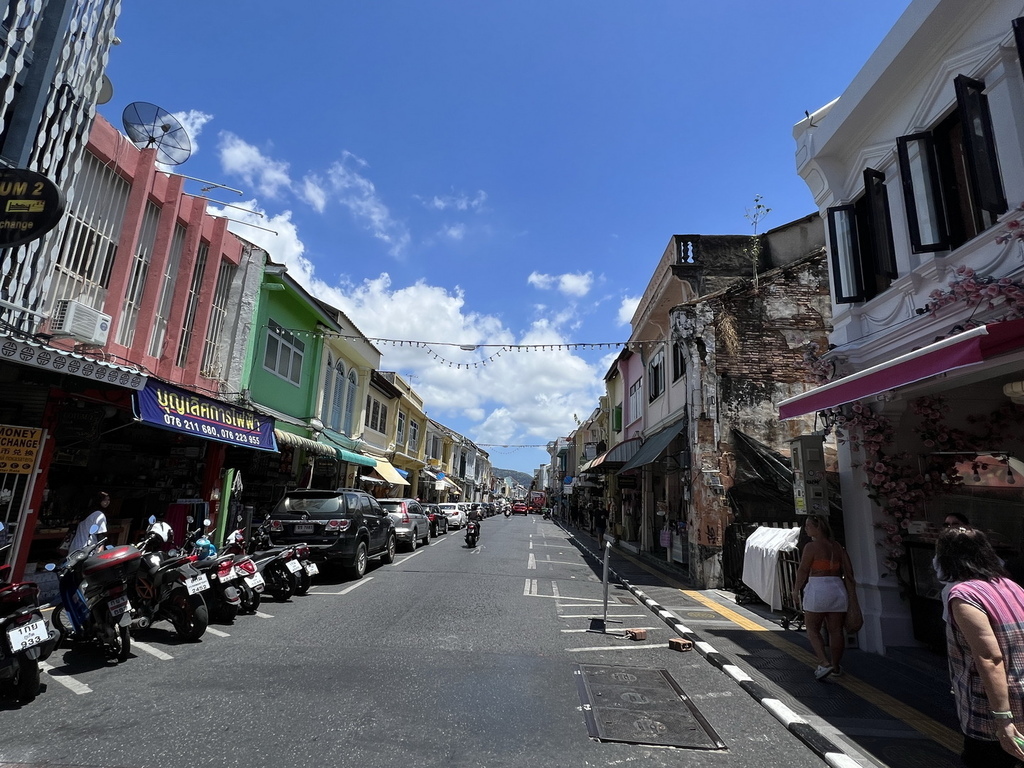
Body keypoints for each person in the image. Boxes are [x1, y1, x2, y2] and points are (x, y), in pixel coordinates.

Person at [935, 526, 1024, 767]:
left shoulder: (964, 595)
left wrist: (1003, 720)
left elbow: (989, 658)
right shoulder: (1011, 587)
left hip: (991, 711)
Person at [793, 513, 854, 681]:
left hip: (818, 588)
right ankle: (835, 666)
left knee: (812, 628)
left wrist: (795, 590)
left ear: (817, 527)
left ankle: (823, 662)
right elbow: (849, 572)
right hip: (837, 588)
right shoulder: (837, 547)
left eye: (808, 526)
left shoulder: (811, 547)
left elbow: (803, 570)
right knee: (836, 631)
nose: (805, 529)